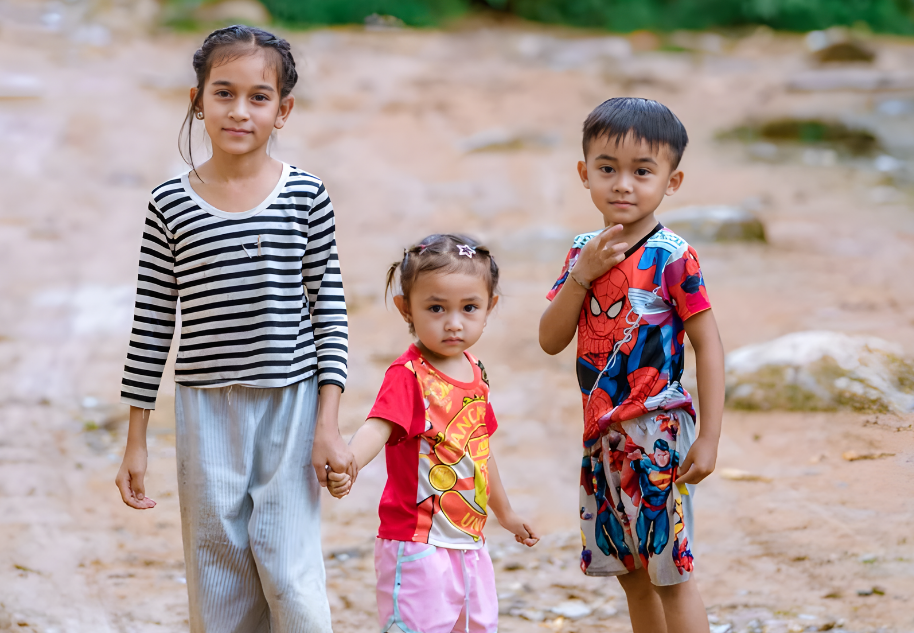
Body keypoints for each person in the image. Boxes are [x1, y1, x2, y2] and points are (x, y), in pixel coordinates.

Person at [114, 24, 353, 633]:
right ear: (196, 100)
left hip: (291, 406)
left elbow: (329, 310)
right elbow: (152, 321)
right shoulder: (170, 204)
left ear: (284, 110)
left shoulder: (306, 196)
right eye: (222, 93)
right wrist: (136, 437)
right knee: (218, 569)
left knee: (290, 570)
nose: (239, 111)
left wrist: (328, 423)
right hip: (205, 410)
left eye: (258, 97)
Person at [537, 97, 727, 633]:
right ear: (584, 173)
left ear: (672, 181)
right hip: (601, 434)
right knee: (632, 573)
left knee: (670, 571)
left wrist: (708, 437)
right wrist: (583, 274)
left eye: (642, 171)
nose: (623, 184)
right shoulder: (582, 252)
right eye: (607, 169)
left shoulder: (673, 257)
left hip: (657, 430)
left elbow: (708, 346)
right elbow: (551, 339)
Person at [325, 234, 539, 633]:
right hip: (417, 545)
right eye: (436, 308)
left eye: (469, 308)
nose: (453, 323)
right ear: (406, 309)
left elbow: (480, 450)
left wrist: (505, 513)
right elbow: (379, 425)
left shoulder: (477, 372)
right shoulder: (409, 376)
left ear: (489, 307)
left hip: (470, 543)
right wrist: (348, 460)